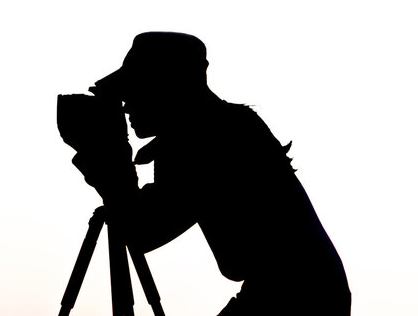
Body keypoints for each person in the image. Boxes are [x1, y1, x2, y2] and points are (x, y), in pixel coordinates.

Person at [70, 32, 351, 315]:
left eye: (134, 92)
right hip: (301, 287)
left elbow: (142, 231)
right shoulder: (224, 125)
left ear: (166, 88)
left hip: (293, 291)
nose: (125, 105)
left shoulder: (202, 138)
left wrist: (104, 153)